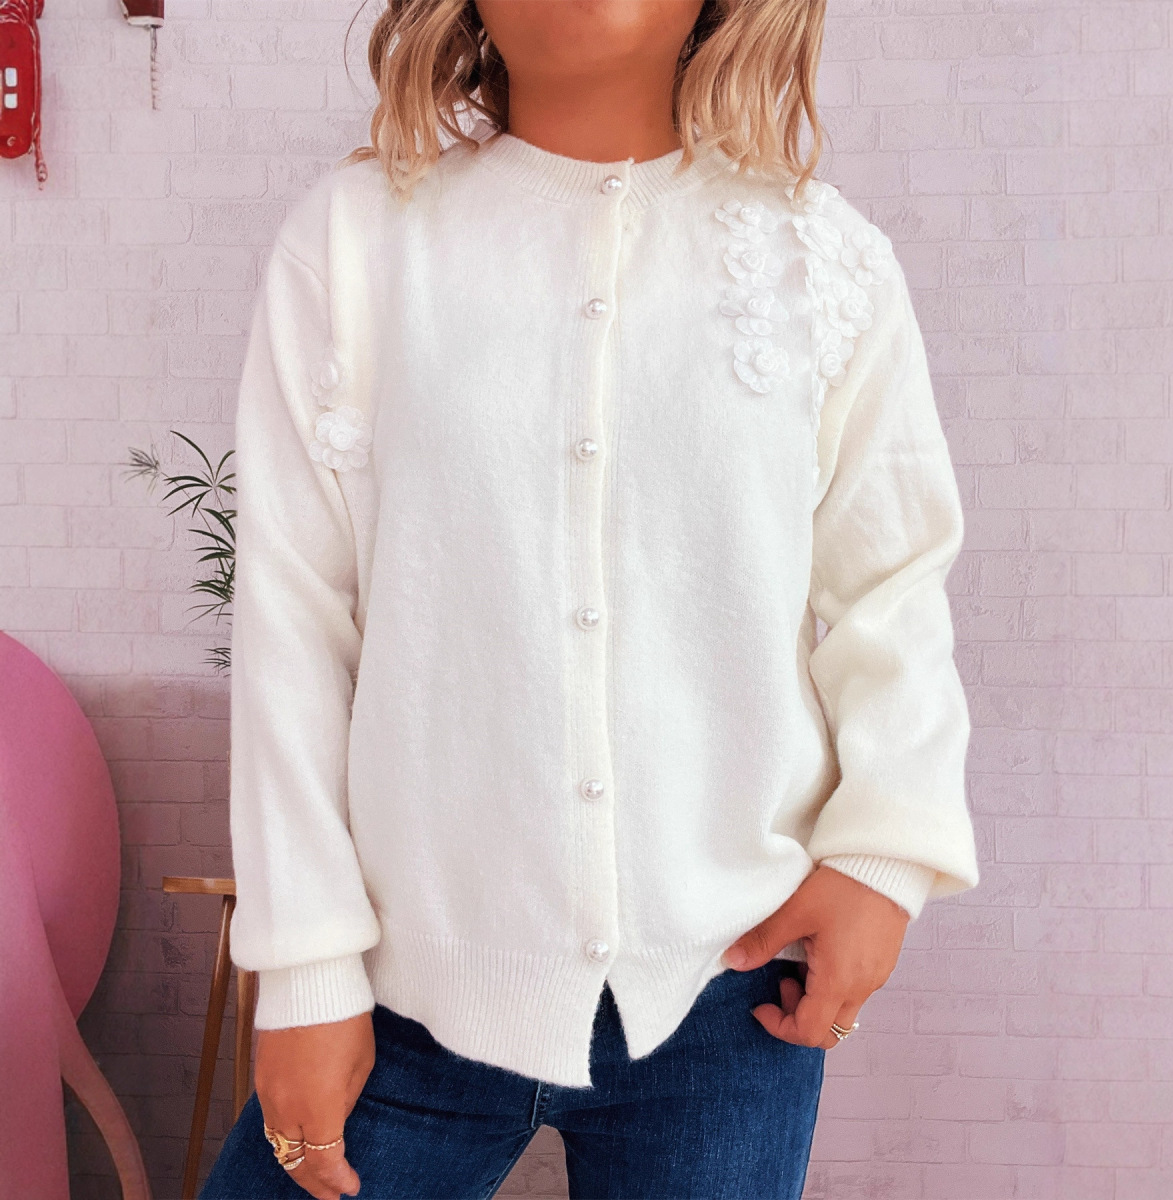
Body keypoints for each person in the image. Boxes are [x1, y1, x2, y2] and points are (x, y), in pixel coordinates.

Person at [198, 1, 979, 1198]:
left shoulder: (825, 260)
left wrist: (885, 858)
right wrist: (303, 970)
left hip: (729, 992)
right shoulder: (354, 243)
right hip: (402, 990)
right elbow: (296, 621)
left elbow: (895, 584)